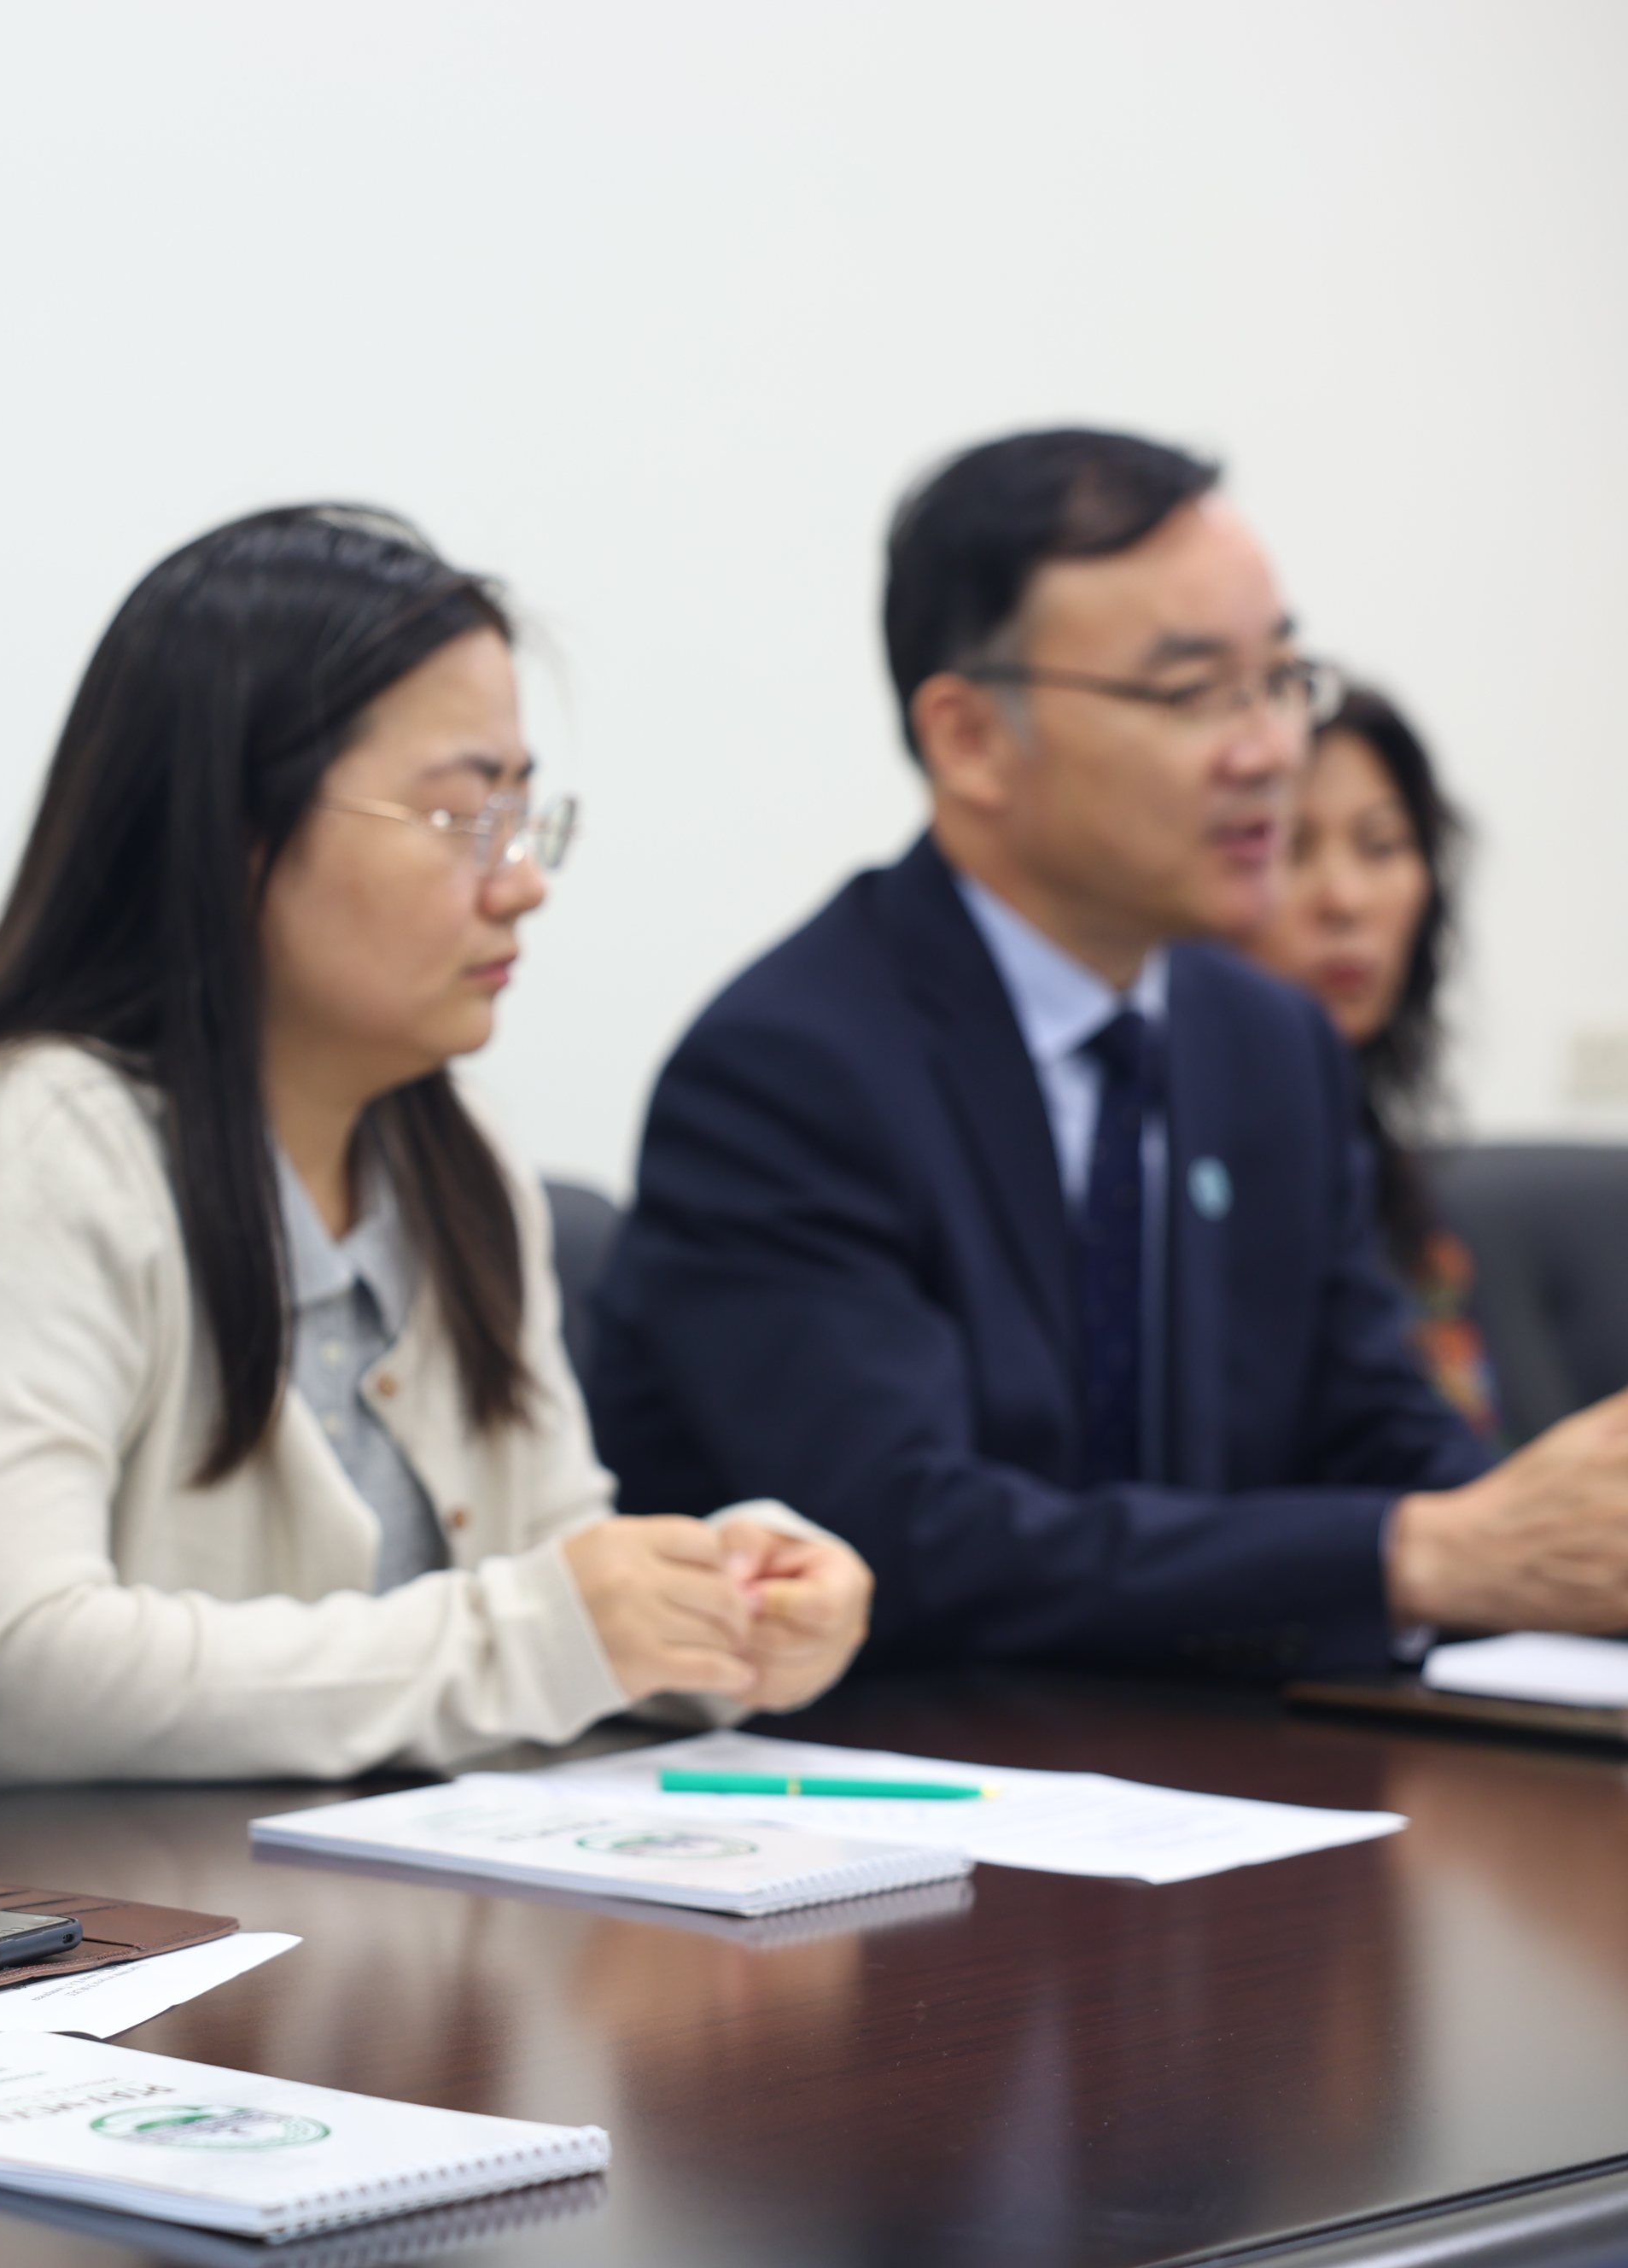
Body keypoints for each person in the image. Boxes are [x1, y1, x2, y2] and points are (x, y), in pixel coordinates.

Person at [0, 506, 872, 1818]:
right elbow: (11, 1672)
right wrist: (551, 1634)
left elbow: (547, 1579)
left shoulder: (457, 1152)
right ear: (234, 830)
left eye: (525, 816)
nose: (521, 884)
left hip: (320, 1904)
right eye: (462, 815)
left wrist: (718, 1607)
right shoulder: (30, 1143)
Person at [587, 428, 1628, 1679]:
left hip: (1227, 1763)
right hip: (896, 1765)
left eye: (1280, 678)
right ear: (971, 739)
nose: (1270, 752)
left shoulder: (1270, 1042)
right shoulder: (787, 1070)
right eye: (1193, 694)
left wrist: (1556, 1534)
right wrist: (1410, 1556)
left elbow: (1379, 1437)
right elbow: (903, 1536)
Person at [1243, 682, 1500, 1441]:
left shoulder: (1379, 1158)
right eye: (1290, 847)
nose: (1345, 900)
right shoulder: (1183, 1167)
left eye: (1381, 846)